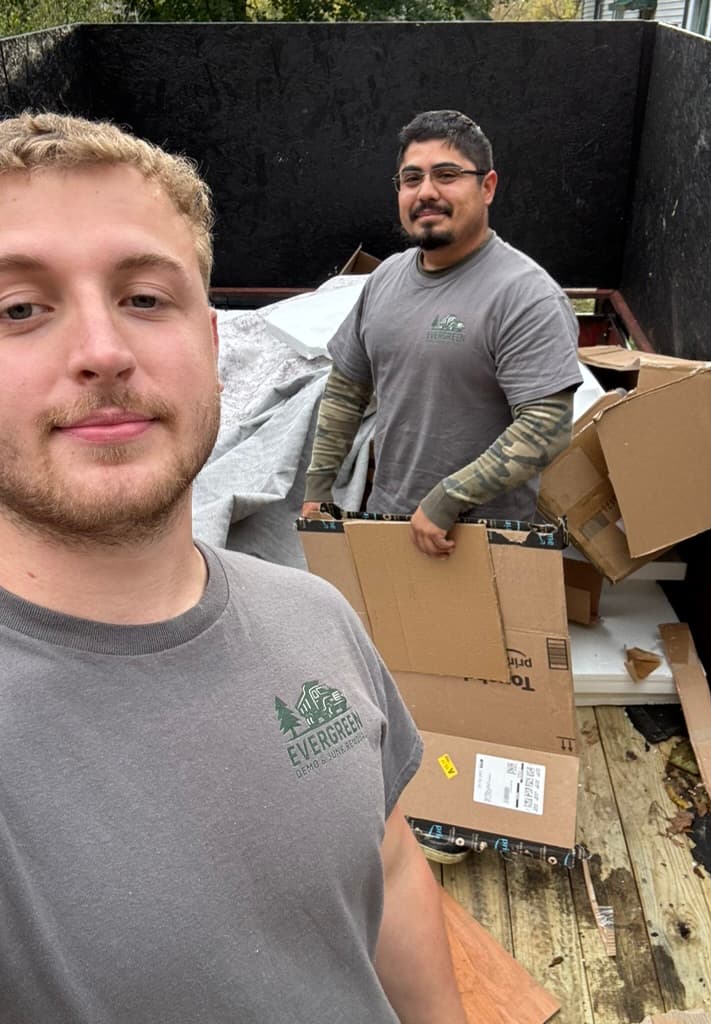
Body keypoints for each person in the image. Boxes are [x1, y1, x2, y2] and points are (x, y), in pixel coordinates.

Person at [0, 111, 467, 1024]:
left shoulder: (314, 615)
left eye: (145, 298)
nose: (102, 351)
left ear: (215, 351)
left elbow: (388, 861)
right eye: (19, 308)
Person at [302, 110, 583, 863]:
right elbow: (344, 390)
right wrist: (319, 485)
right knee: (402, 669)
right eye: (412, 178)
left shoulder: (523, 294)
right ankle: (409, 790)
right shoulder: (388, 280)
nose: (427, 192)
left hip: (480, 537)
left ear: (487, 186)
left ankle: (458, 813)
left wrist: (448, 497)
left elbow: (546, 425)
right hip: (389, 519)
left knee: (478, 686)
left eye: (447, 175)